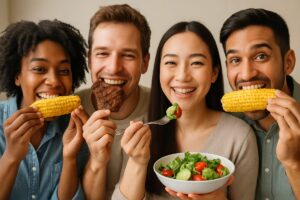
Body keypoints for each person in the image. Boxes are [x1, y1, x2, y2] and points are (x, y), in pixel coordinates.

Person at [113, 21, 259, 200]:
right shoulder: (142, 129)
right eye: (171, 62)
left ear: (214, 73)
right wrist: (137, 161)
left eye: (196, 63)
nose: (182, 76)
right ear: (158, 71)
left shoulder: (239, 137)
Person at [0, 20, 89, 199]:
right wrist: (11, 157)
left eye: (64, 71)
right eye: (39, 69)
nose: (54, 81)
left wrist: (70, 158)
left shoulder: (75, 129)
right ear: (17, 75)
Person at [220, 8, 300, 200]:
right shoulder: (223, 124)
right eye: (235, 60)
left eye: (260, 56)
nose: (246, 74)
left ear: (288, 62)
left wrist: (293, 162)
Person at [77, 4, 151, 199]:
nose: (113, 67)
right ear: (89, 60)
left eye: (127, 55)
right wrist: (96, 161)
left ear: (145, 62)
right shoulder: (71, 113)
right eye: (102, 53)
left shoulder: (163, 110)